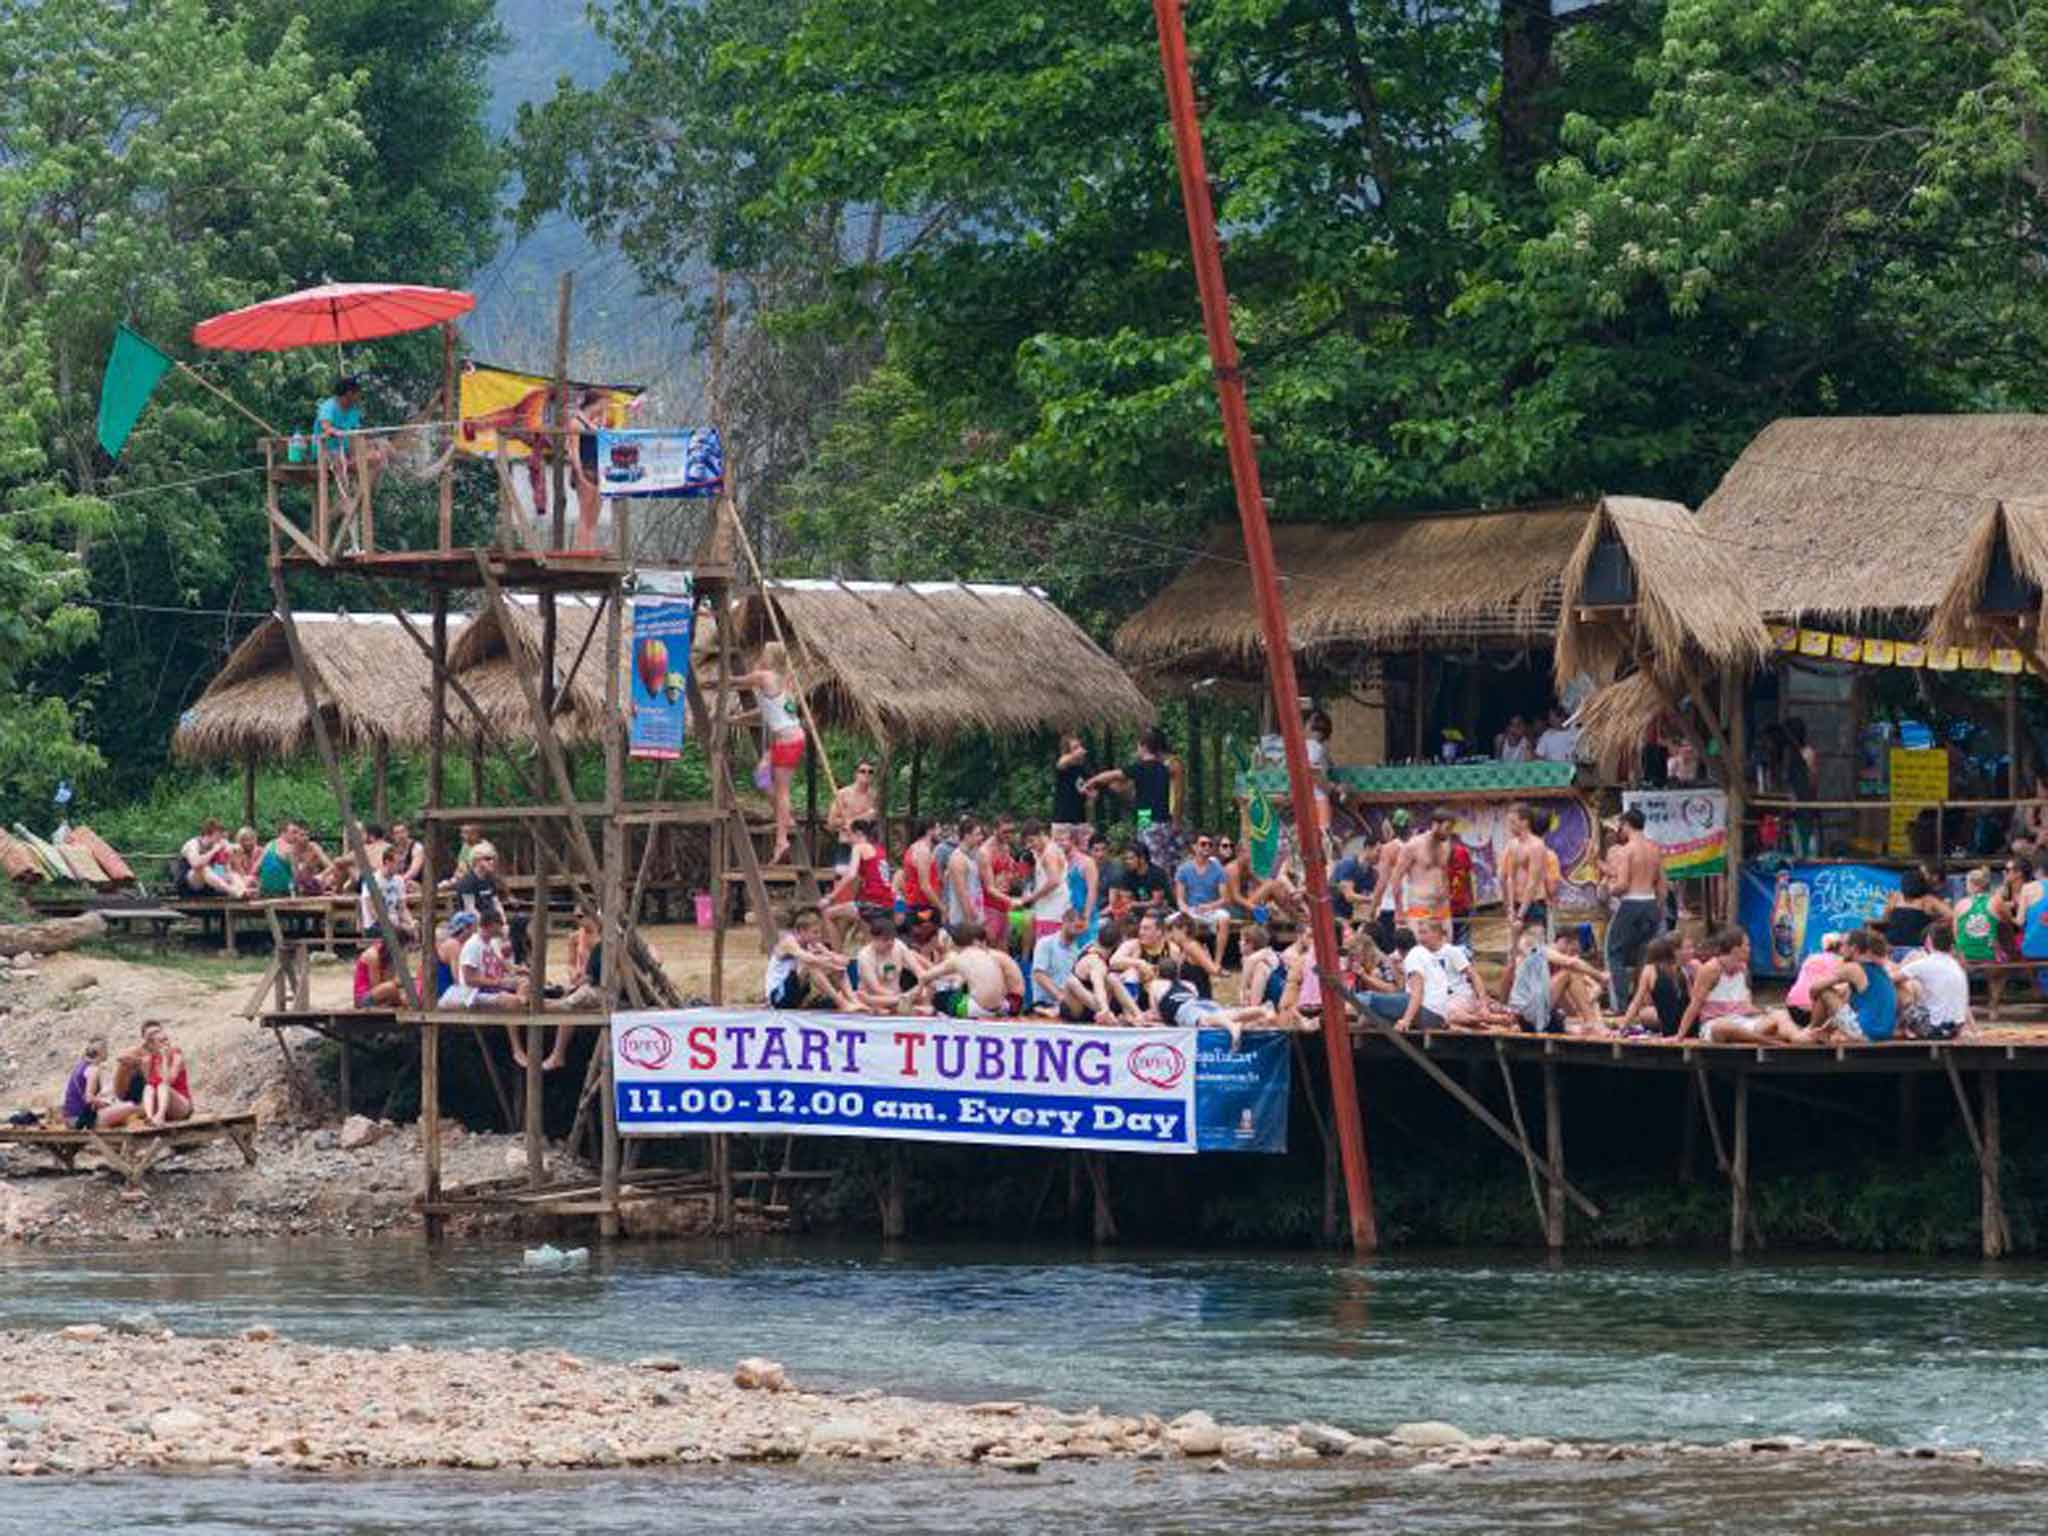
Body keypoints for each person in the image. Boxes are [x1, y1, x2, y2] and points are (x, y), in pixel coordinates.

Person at [734, 641, 807, 863]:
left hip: (789, 741)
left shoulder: (766, 676)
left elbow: (738, 682)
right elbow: (765, 712)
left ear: (769, 657)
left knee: (782, 791)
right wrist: (736, 719)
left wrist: (713, 683)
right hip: (787, 739)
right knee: (761, 775)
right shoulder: (782, 683)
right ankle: (786, 819)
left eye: (763, 653)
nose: (759, 656)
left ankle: (782, 839)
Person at [1674, 929, 1807, 1044]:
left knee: (1779, 1015)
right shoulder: (1711, 969)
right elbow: (1695, 1005)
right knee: (1722, 1028)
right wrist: (1679, 1036)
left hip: (1742, 1022)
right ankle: (1769, 1041)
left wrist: (1766, 1011)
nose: (1750, 949)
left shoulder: (1743, 969)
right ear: (1736, 949)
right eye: (1747, 945)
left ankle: (1799, 1037)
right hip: (1714, 1023)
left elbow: (1746, 1007)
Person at [1081, 728, 1184, 869]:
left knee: (1150, 859)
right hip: (1161, 817)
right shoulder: (1165, 768)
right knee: (1156, 857)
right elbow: (1121, 788)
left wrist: (1092, 781)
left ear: (1143, 747)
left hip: (1147, 816)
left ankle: (1156, 885)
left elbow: (1114, 775)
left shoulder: (1140, 768)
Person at [1600, 807, 1666, 1011]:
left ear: (1627, 825)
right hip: (1650, 903)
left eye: (1621, 826)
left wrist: (1608, 889)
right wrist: (1658, 909)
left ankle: (1620, 1006)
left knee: (1614, 953)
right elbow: (1662, 886)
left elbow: (1622, 885)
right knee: (1644, 956)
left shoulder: (1627, 850)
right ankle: (1643, 1005)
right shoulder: (1655, 849)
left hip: (1631, 903)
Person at [312, 375, 389, 515]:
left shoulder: (354, 411)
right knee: (338, 460)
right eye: (358, 393)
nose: (359, 397)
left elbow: (356, 434)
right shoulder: (328, 406)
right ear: (349, 393)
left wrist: (370, 445)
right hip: (326, 451)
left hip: (346, 450)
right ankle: (345, 499)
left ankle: (366, 494)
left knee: (379, 454)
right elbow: (326, 427)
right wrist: (338, 433)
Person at [1808, 927, 1899, 1043]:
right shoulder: (1879, 969)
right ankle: (1821, 1031)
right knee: (1843, 994)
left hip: (1866, 1032)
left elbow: (1814, 988)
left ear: (1853, 948)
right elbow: (1849, 1004)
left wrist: (1814, 998)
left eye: (1843, 945)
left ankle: (1810, 1031)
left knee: (1825, 992)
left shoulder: (1853, 968)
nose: (1840, 949)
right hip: (1884, 1033)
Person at [917, 921, 1025, 1018]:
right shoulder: (987, 955)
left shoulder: (961, 958)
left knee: (939, 998)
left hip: (1006, 1004)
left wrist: (916, 993)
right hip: (1003, 1005)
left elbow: (925, 976)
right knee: (962, 990)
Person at [765, 906, 863, 1012]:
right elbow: (807, 958)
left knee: (835, 966)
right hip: (778, 996)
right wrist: (830, 962)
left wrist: (837, 961)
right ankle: (842, 1003)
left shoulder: (813, 944)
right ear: (802, 931)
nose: (819, 936)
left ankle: (853, 1000)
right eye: (815, 932)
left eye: (820, 932)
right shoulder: (788, 942)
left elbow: (834, 957)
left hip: (797, 994)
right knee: (810, 964)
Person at [1031, 907, 1112, 1023]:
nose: (1077, 924)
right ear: (1064, 920)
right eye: (1072, 921)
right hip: (1048, 1002)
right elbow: (1039, 975)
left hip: (1072, 1004)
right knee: (1072, 982)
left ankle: (1104, 1011)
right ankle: (1104, 1010)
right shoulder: (1046, 943)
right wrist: (1061, 996)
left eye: (1081, 922)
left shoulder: (1079, 949)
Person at [438, 908, 526, 1013]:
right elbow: (467, 980)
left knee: (525, 984)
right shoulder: (469, 945)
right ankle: (515, 1017)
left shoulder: (492, 943)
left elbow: (503, 965)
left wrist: (519, 970)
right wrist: (499, 982)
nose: (502, 927)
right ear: (492, 925)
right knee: (512, 1000)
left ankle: (522, 1013)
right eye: (500, 924)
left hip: (489, 988)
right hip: (473, 993)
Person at [1899, 920, 1971, 1040]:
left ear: (1929, 942)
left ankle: (1896, 1029)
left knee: (1899, 987)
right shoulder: (1955, 964)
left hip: (1936, 1029)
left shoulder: (1925, 962)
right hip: (1955, 1029)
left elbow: (1890, 979)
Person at [1392, 809, 1458, 928]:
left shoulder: (1446, 845)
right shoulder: (1413, 846)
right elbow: (1396, 878)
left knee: (1445, 943)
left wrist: (1446, 894)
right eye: (1447, 828)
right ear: (1435, 825)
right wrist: (1399, 909)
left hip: (1442, 907)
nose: (1449, 832)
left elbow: (1444, 873)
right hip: (1420, 906)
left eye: (1451, 828)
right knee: (1422, 943)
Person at [1173, 833, 1232, 968]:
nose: (1207, 847)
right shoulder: (1183, 869)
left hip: (1211, 909)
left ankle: (1217, 962)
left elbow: (1225, 899)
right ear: (1194, 847)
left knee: (1225, 918)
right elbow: (1180, 899)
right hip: (1191, 909)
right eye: (1203, 844)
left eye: (1210, 845)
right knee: (1170, 921)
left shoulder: (1218, 869)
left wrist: (1210, 906)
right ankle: (1179, 962)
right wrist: (1185, 909)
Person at [853, 911, 927, 1015]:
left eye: (892, 939)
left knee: (924, 992)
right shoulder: (864, 955)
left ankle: (901, 1003)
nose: (890, 943)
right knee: (865, 998)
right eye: (886, 940)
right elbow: (876, 988)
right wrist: (900, 997)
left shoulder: (899, 945)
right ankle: (901, 1003)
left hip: (898, 996)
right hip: (877, 998)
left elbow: (919, 971)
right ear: (873, 938)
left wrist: (920, 987)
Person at [1616, 935, 1690, 1037]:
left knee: (1645, 1013)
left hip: (1671, 1028)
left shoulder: (1649, 970)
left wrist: (1622, 1027)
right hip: (1689, 1026)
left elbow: (1637, 1002)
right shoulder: (1680, 969)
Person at [63, 1037, 136, 1130]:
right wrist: (104, 1104)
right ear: (101, 1051)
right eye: (106, 1049)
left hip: (70, 1118)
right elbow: (89, 1098)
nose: (107, 1053)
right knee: (132, 1106)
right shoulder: (93, 1069)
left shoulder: (81, 1065)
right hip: (80, 1120)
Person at [825, 761, 879, 874]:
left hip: (867, 846)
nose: (866, 774)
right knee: (842, 879)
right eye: (863, 771)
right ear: (856, 774)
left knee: (865, 882)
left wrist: (858, 819)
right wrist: (854, 820)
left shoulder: (874, 796)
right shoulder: (843, 794)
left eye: (870, 772)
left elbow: (874, 819)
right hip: (847, 844)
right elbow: (831, 822)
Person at [1882, 867, 1951, 955]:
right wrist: (1936, 921)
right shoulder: (1928, 900)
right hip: (1917, 948)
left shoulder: (1895, 897)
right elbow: (1951, 915)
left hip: (1894, 947)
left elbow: (1885, 919)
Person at [358, 842, 414, 942]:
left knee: (415, 930)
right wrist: (398, 926)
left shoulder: (399, 880)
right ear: (388, 862)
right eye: (398, 863)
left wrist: (411, 922)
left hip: (395, 923)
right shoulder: (372, 881)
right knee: (401, 934)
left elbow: (402, 909)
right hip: (375, 925)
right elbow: (374, 913)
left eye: (402, 863)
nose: (402, 866)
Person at [140, 1022, 192, 1126]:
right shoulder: (150, 1060)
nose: (166, 1043)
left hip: (181, 1106)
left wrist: (164, 1059)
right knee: (148, 1087)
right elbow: (150, 1085)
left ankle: (160, 1116)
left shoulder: (176, 1056)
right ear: (153, 1045)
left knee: (162, 1086)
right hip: (162, 1106)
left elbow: (169, 1080)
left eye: (166, 1039)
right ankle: (150, 1117)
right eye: (161, 1041)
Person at [180, 819, 247, 899]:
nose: (221, 837)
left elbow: (236, 849)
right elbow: (195, 863)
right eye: (219, 834)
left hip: (208, 885)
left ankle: (243, 892)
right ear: (210, 834)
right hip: (189, 885)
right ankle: (232, 892)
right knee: (203, 869)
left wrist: (233, 851)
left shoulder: (217, 843)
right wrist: (214, 850)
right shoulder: (193, 844)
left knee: (233, 875)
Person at [943, 819, 988, 930]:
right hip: (963, 921)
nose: (981, 838)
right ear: (967, 836)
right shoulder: (958, 858)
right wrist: (970, 921)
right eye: (977, 834)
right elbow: (962, 893)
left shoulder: (971, 856)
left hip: (974, 915)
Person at [1954, 866, 1999, 966]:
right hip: (1988, 954)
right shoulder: (1996, 901)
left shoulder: (1960, 904)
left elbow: (1956, 934)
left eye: (1966, 883)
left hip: (1964, 956)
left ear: (1973, 885)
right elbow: (2007, 923)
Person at [1114, 841, 1172, 914]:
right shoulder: (1127, 874)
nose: (1127, 861)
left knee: (1151, 912)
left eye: (1131, 858)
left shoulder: (1156, 873)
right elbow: (1126, 899)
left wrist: (1133, 904)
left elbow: (1157, 902)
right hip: (1139, 910)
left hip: (1163, 909)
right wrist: (1129, 903)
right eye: (1126, 859)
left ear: (1142, 858)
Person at [1052, 735, 1091, 842]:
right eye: (1075, 747)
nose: (1079, 750)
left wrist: (1091, 794)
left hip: (1080, 821)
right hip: (1063, 822)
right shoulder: (1063, 768)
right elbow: (1061, 763)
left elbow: (1089, 792)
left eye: (1080, 746)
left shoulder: (1083, 769)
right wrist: (1076, 754)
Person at [1329, 842, 1372, 927]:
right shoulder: (1348, 864)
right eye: (1378, 851)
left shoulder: (1371, 872)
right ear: (1368, 848)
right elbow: (1349, 896)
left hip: (1353, 916)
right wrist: (1372, 899)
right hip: (1337, 915)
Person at [354, 938, 404, 1009]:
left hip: (378, 996)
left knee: (394, 987)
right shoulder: (373, 955)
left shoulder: (387, 956)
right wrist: (397, 983)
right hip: (363, 998)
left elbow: (388, 979)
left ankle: (400, 1003)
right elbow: (376, 985)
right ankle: (402, 1004)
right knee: (391, 987)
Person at [388, 820, 425, 888]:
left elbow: (414, 871)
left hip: (417, 883)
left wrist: (398, 881)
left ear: (407, 832)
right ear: (393, 836)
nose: (401, 835)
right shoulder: (391, 849)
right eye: (397, 833)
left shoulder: (417, 847)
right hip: (398, 883)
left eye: (403, 831)